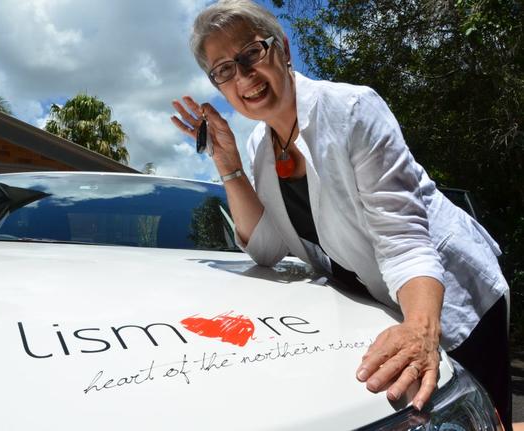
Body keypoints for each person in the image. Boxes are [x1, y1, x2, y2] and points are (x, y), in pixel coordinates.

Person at [170, 0, 512, 427]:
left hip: (449, 294)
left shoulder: (350, 110)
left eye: (251, 53)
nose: (243, 77)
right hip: (384, 301)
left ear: (284, 48)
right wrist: (228, 165)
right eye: (224, 70)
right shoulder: (259, 147)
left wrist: (421, 328)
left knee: (477, 413)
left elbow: (403, 240)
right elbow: (268, 248)